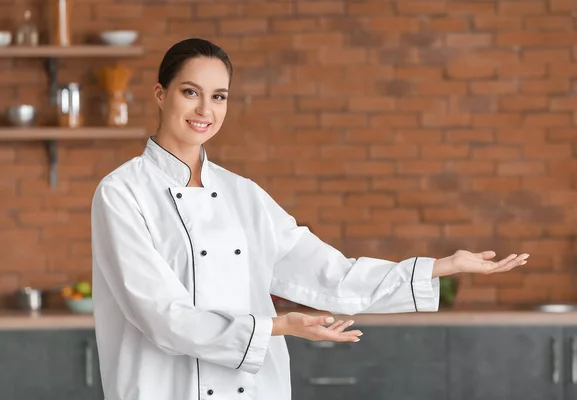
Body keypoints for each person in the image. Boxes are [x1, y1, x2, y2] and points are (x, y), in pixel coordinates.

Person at [90, 38, 529, 400]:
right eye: (191, 92)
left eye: (219, 96)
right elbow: (161, 316)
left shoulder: (245, 195)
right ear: (160, 94)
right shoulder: (122, 193)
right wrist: (280, 327)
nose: (205, 110)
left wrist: (440, 266)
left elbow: (330, 274)